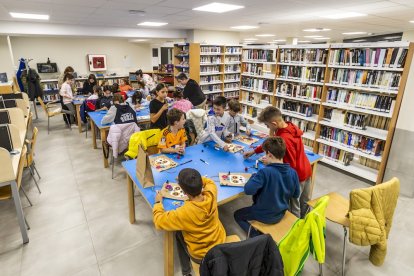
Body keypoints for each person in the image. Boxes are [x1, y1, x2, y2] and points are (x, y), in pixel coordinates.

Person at [153, 168, 226, 276]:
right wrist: (191, 180)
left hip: (201, 255)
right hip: (220, 241)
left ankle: (186, 271)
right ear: (201, 184)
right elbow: (209, 182)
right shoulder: (212, 193)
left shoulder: (184, 213)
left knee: (178, 233)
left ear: (183, 192)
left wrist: (158, 202)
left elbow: (159, 221)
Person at [243, 106, 312, 218]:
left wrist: (272, 163)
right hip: (306, 168)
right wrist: (255, 151)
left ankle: (297, 229)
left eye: (267, 125)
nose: (267, 127)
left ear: (274, 123)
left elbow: (290, 166)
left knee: (294, 207)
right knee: (305, 202)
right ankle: (307, 223)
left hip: (297, 175)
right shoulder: (289, 126)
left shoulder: (285, 139)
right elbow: (273, 142)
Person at [234, 137, 300, 237]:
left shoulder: (265, 172)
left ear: (269, 154)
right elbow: (296, 194)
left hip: (264, 214)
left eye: (265, 153)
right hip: (281, 212)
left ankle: (257, 237)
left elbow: (248, 190)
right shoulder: (293, 172)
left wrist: (253, 176)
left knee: (237, 215)